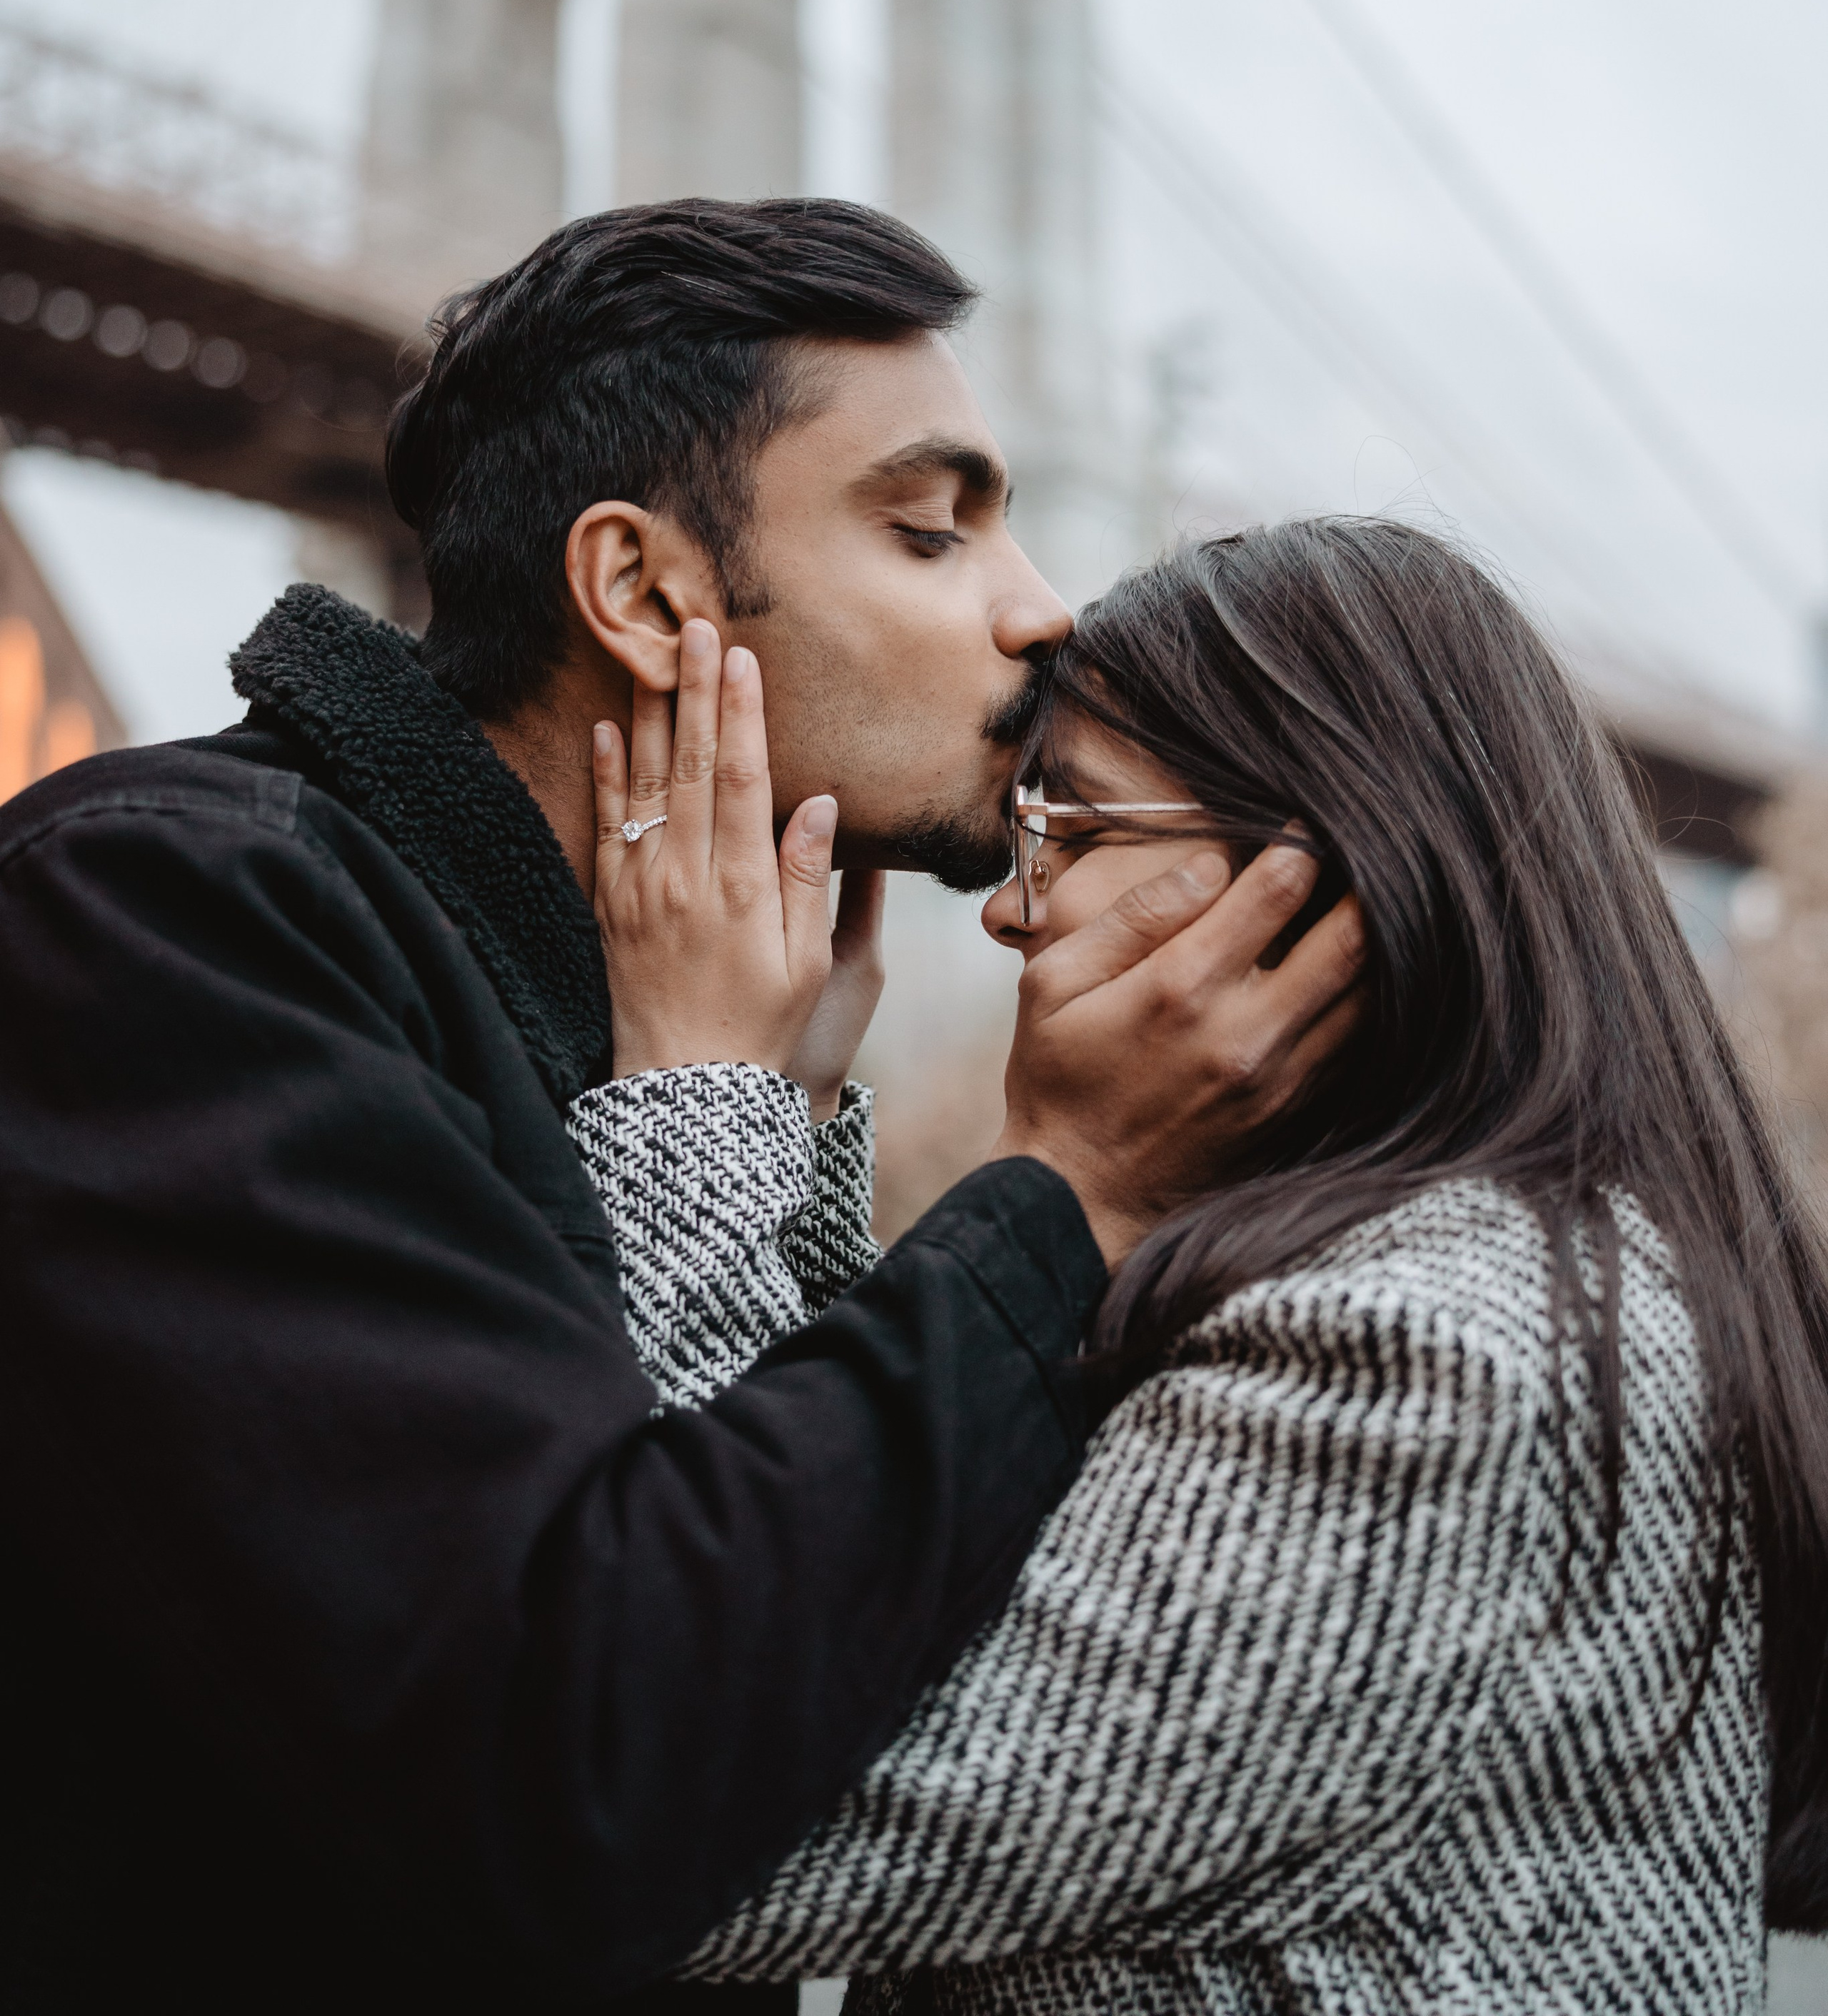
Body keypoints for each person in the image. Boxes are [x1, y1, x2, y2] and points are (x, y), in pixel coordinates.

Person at [0, 198, 1362, 2016]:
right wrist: (1073, 1185)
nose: (1040, 610)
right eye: (931, 529)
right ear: (643, 594)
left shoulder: (606, 1013)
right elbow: (588, 1764)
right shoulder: (164, 930)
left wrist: (762, 1111)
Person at [576, 519, 1828, 2011]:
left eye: (1073, 831)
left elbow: (701, 1829)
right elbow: (908, 1562)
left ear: (1317, 882)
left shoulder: (1429, 1353)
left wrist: (697, 1091)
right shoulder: (1491, 1267)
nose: (1006, 902)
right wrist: (792, 1113)